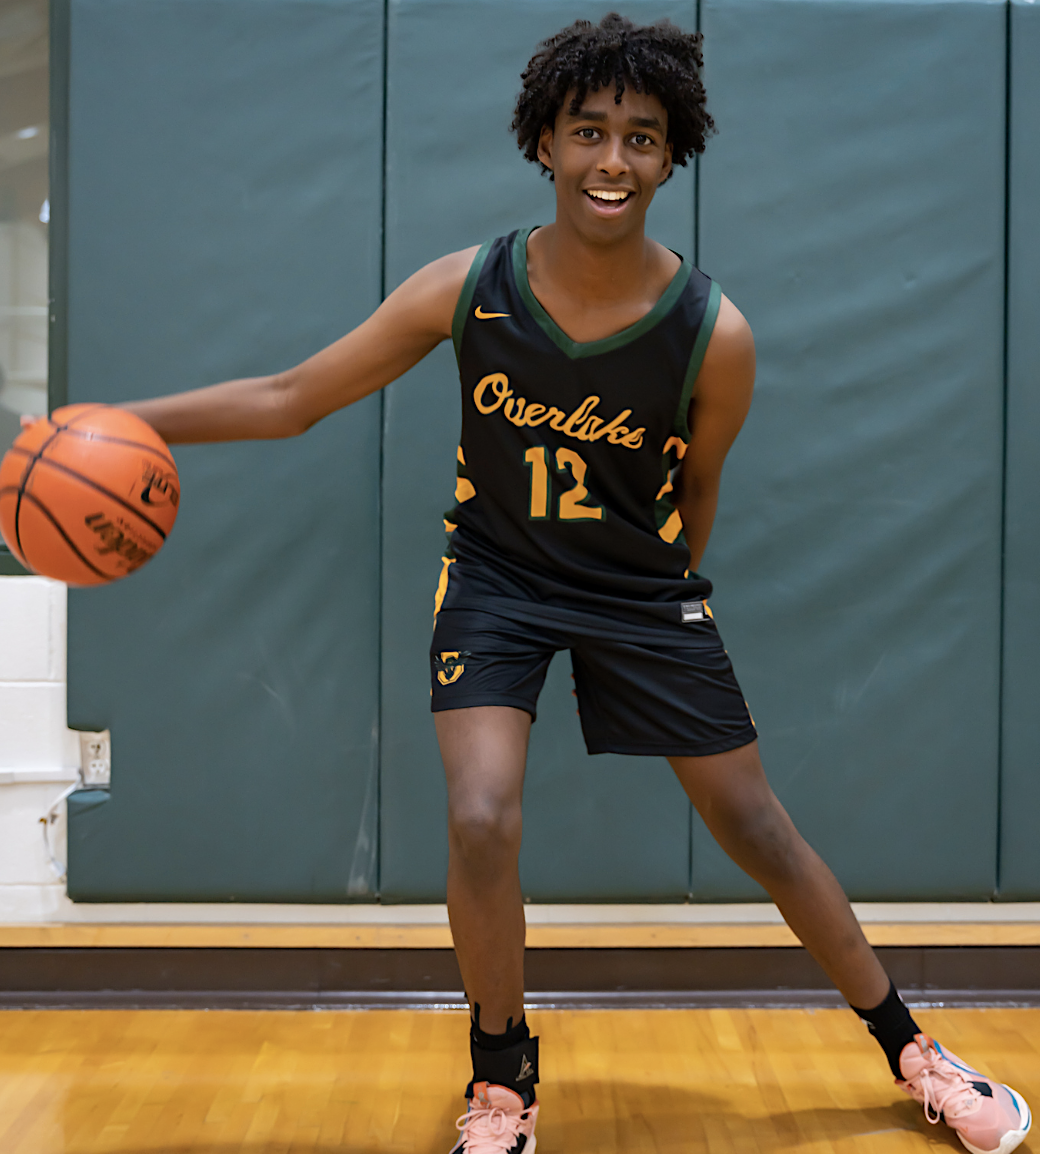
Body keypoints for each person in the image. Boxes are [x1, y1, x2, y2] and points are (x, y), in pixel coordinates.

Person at [98, 14, 1030, 1154]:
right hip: (496, 581)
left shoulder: (714, 333)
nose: (611, 160)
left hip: (640, 589)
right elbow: (292, 397)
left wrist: (666, 601)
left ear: (672, 155)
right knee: (480, 814)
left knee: (756, 825)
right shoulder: (467, 286)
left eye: (641, 137)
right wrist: (114, 421)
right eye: (587, 131)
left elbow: (698, 491)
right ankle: (502, 1084)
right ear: (543, 141)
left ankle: (914, 1050)